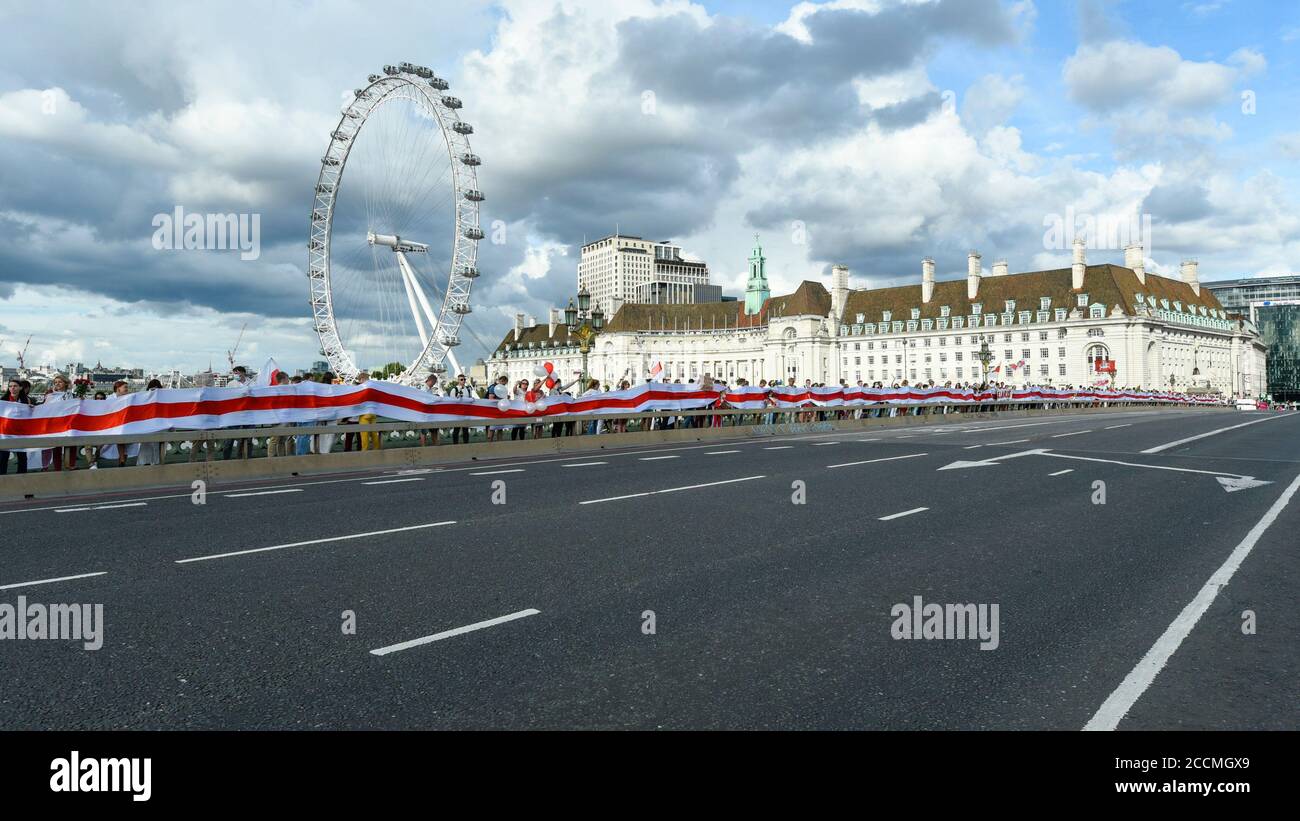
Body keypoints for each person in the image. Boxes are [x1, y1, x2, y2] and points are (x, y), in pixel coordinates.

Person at [0, 379, 31, 475]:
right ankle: (2, 478)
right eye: (10, 386)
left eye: (15, 386)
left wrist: (31, 409)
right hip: (6, 433)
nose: (12, 388)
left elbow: (30, 416)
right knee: (3, 458)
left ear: (20, 387)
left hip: (20, 433)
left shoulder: (26, 400)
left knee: (22, 457)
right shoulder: (3, 400)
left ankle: (22, 478)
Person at [222, 366, 252, 460]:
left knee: (248, 439)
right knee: (229, 439)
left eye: (237, 373)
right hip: (234, 415)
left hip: (248, 414)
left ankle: (245, 459)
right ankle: (226, 459)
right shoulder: (231, 384)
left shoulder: (251, 383)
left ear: (243, 373)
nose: (236, 375)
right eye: (234, 373)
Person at [136, 379, 165, 466]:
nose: (154, 392)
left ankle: (154, 464)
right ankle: (148, 463)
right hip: (148, 428)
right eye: (152, 390)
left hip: (157, 428)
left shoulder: (162, 400)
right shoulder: (145, 398)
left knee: (156, 448)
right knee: (147, 447)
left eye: (156, 389)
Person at [445, 373, 474, 445]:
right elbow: (451, 401)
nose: (463, 381)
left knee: (465, 430)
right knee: (456, 429)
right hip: (457, 413)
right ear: (458, 380)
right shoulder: (454, 390)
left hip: (466, 412)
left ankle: (466, 444)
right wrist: (457, 398)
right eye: (461, 379)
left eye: (464, 379)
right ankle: (455, 445)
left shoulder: (468, 389)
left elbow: (470, 399)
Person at [420, 374, 442, 447]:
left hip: (430, 414)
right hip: (424, 414)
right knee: (424, 432)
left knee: (434, 430)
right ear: (430, 381)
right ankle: (423, 447)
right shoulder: (423, 389)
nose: (434, 384)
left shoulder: (429, 390)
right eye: (434, 382)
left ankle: (435, 444)